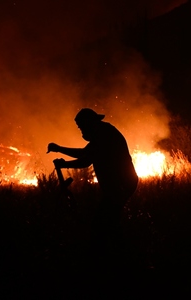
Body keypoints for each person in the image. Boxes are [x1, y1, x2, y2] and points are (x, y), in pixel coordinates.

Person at [47, 108, 138, 267]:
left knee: (100, 224)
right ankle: (123, 257)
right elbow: (84, 153)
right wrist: (59, 149)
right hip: (119, 184)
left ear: (89, 123)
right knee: (111, 222)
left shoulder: (103, 135)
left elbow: (85, 160)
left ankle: (101, 261)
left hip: (120, 184)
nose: (81, 130)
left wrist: (64, 164)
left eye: (81, 126)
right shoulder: (101, 132)